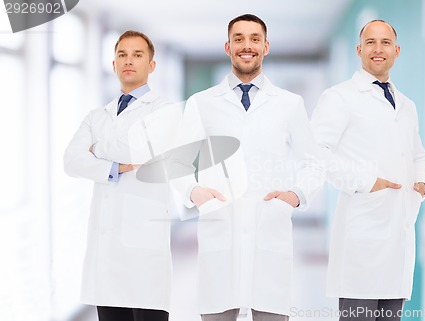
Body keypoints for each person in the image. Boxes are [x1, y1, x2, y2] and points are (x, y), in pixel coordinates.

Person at [181, 14, 323, 321]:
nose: (247, 46)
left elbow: (313, 162)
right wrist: (193, 191)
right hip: (221, 229)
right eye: (239, 39)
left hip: (269, 230)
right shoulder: (201, 103)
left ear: (266, 46)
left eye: (255, 39)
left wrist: (296, 195)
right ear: (228, 46)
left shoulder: (289, 104)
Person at [310, 20, 425, 321]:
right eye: (371, 42)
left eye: (386, 42)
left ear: (397, 50)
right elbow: (316, 152)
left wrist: (422, 184)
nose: (378, 49)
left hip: (398, 237)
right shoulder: (339, 97)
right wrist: (367, 182)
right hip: (361, 239)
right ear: (359, 49)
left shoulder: (407, 105)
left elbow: (416, 153)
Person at [64, 30, 176, 321]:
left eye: (138, 55)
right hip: (107, 252)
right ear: (113, 64)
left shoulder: (165, 111)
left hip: (144, 245)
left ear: (151, 65)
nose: (129, 61)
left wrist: (97, 149)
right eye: (122, 55)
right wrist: (116, 167)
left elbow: (141, 148)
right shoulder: (97, 115)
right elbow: (71, 161)